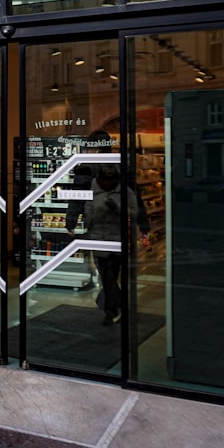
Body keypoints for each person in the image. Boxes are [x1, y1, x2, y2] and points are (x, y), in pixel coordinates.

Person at [65, 130, 143, 325]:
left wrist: (71, 221)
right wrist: (143, 223)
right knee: (113, 270)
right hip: (119, 227)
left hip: (99, 227)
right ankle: (115, 306)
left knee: (105, 271)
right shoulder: (121, 165)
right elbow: (136, 196)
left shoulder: (87, 165)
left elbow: (79, 196)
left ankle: (112, 308)